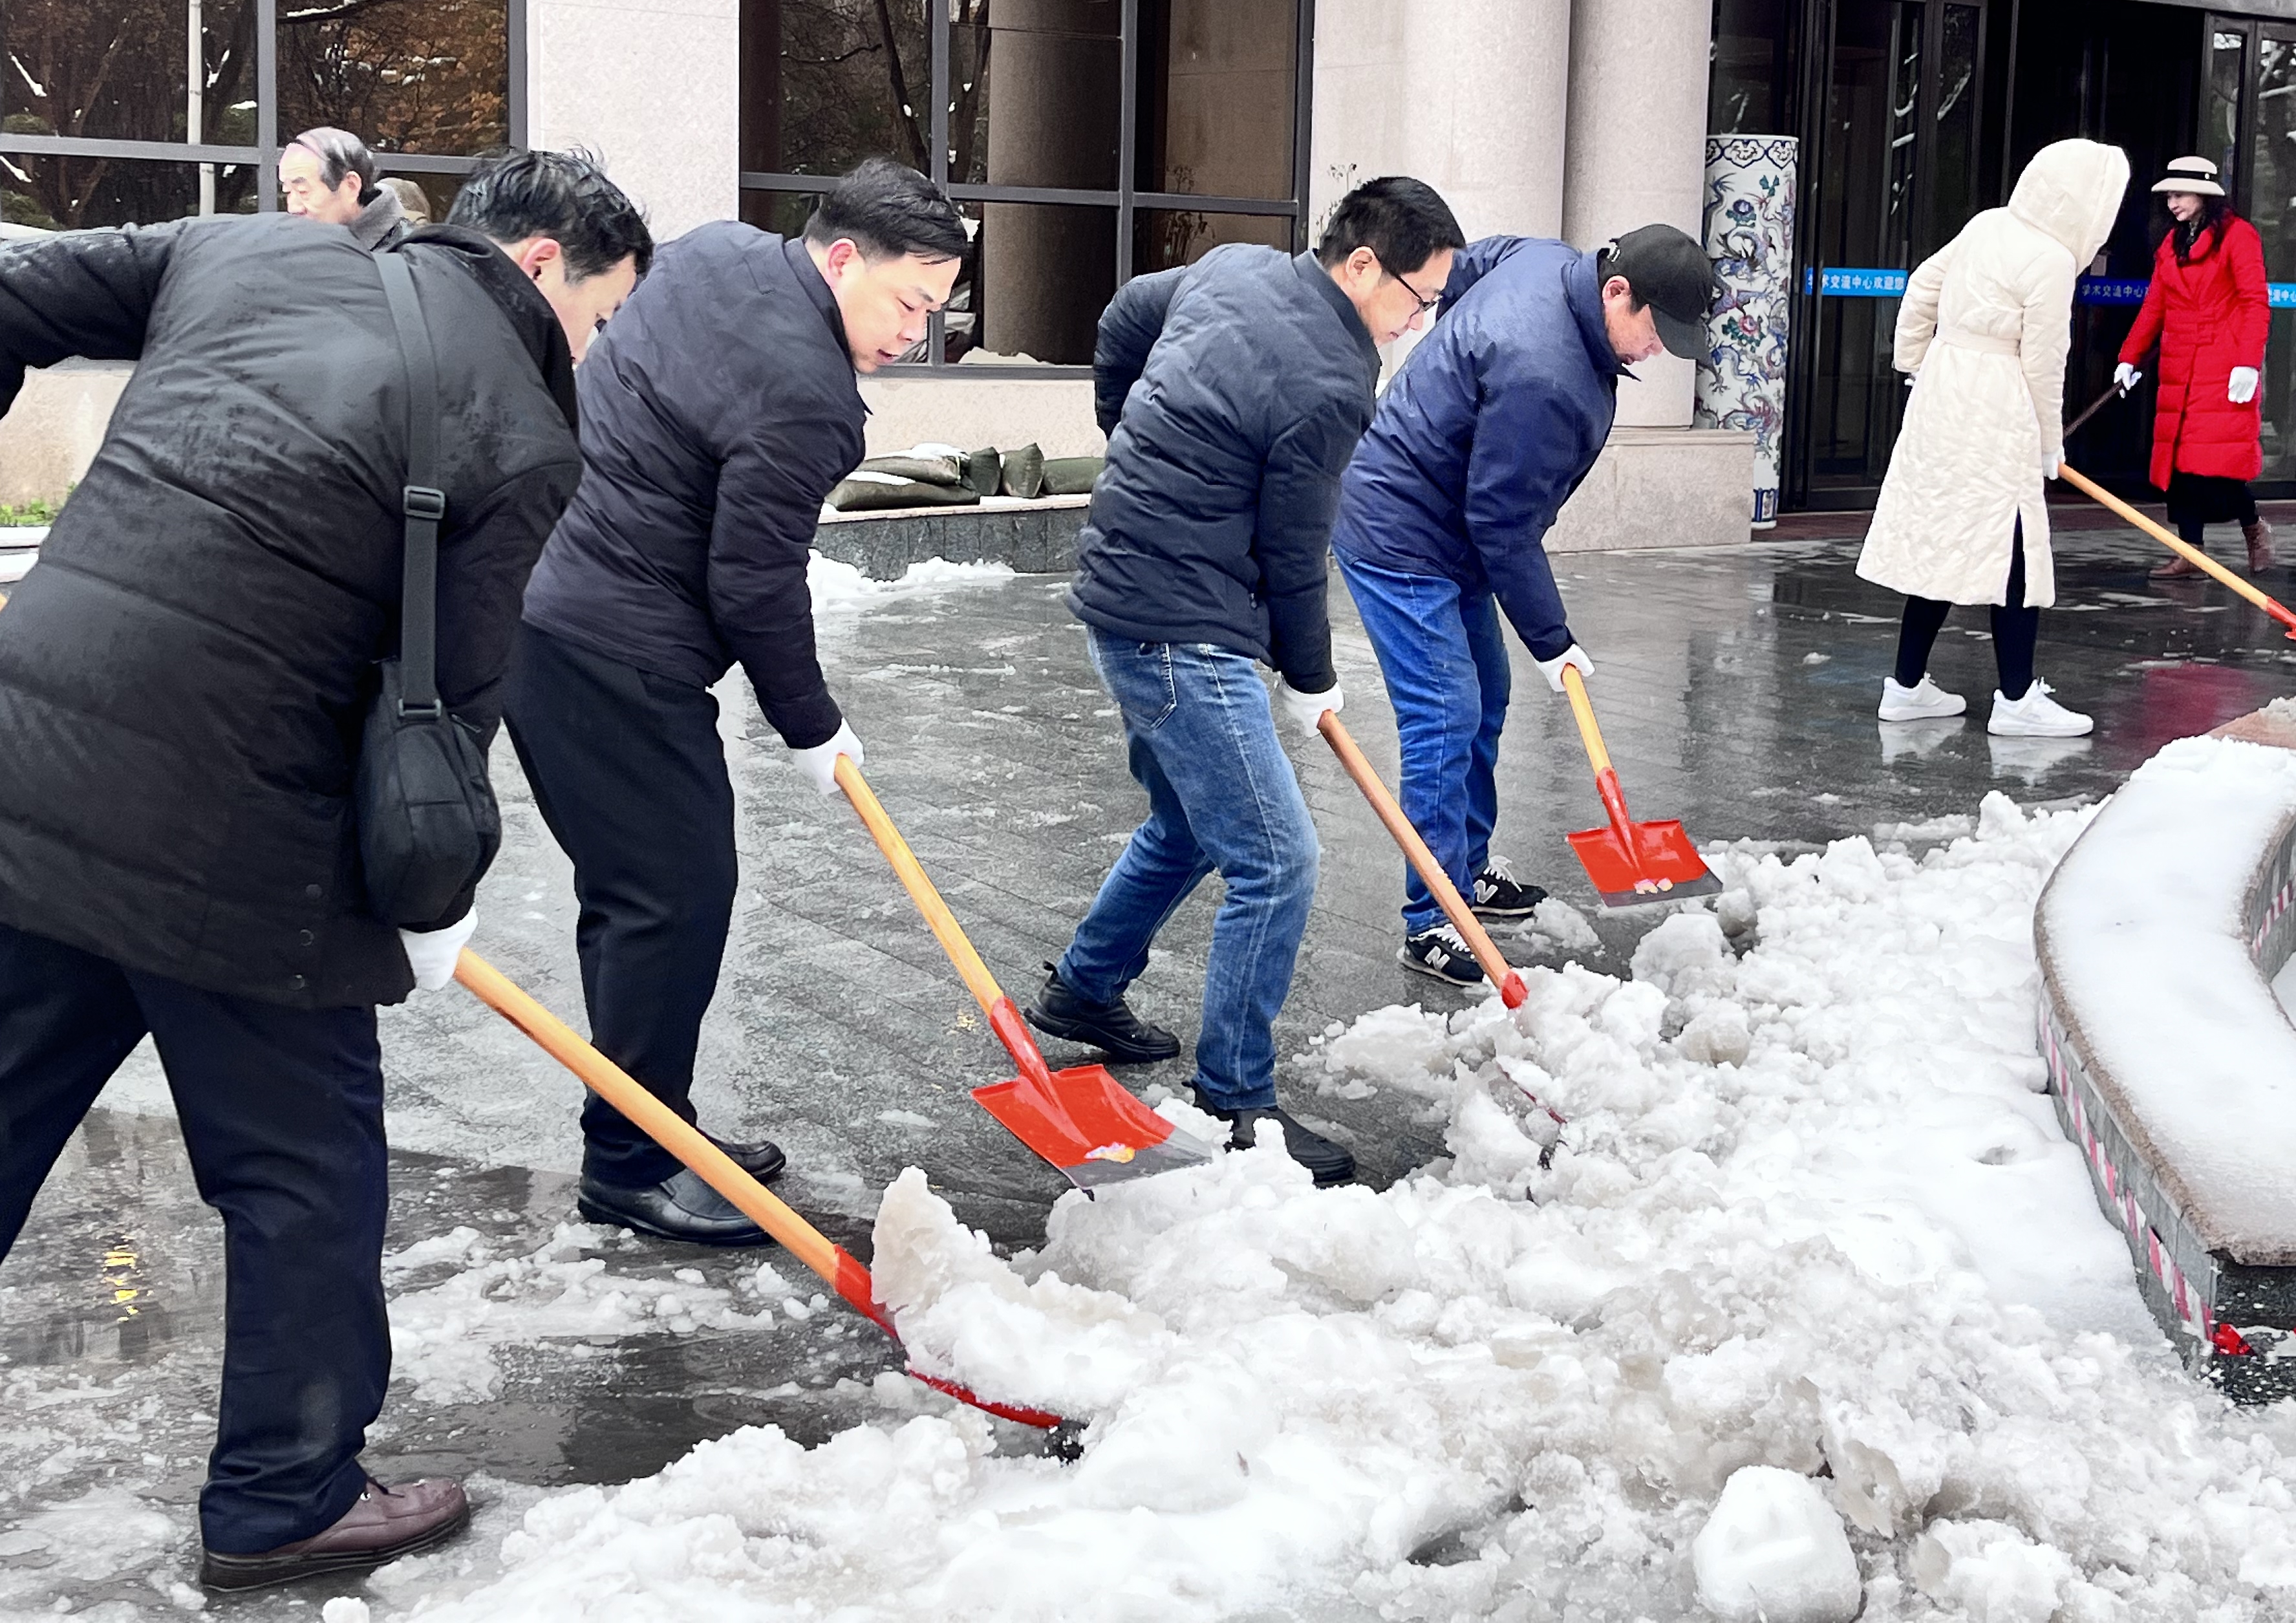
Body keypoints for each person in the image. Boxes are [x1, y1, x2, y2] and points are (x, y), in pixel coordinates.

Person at [0, 149, 652, 1591]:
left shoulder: (240, 254)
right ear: (544, 266)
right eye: (605, 319)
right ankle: (286, 1492)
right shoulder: (529, 437)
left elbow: (10, 289)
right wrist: (425, 907)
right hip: (236, 838)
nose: (595, 355)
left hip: (26, 759)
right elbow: (448, 711)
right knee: (301, 1167)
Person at [504, 156, 969, 1247]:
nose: (916, 331)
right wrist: (812, 721)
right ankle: (628, 1164)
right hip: (611, 641)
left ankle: (651, 1120)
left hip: (537, 598)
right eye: (908, 301)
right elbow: (752, 582)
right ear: (843, 256)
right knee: (675, 893)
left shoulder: (714, 248)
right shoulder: (810, 397)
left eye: (937, 312)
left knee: (637, 893)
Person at [1025, 177, 1466, 1187]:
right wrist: (1312, 681)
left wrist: (1129, 432)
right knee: (1278, 859)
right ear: (1361, 265)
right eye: (1414, 295)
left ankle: (1086, 990)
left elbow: (1126, 313)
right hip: (1182, 628)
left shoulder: (1237, 267)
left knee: (1188, 822)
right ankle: (1237, 1103)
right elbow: (1296, 545)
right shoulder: (1329, 382)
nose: (1415, 321)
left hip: (1128, 592)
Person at [1329, 224, 1713, 984]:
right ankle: (1430, 918)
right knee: (1446, 712)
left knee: (1486, 696)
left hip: (1456, 522)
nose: (1655, 351)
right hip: (1401, 531)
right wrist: (1552, 638)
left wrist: (1456, 375)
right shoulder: (1544, 372)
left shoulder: (1548, 262)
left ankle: (1464, 869)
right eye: (1653, 330)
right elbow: (1504, 523)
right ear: (1616, 290)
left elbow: (1473, 261)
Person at [1858, 138, 2132, 739]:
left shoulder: (1988, 225)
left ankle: (1905, 687)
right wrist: (2046, 441)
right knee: (2014, 546)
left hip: (1943, 388)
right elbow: (2043, 360)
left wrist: (1915, 362)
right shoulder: (2052, 259)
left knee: (1944, 539)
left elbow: (1923, 285)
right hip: (1999, 400)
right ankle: (2015, 700)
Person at [2114, 156, 2275, 577]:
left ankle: (2255, 529)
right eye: (2168, 195)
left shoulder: (2239, 237)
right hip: (2180, 366)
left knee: (2218, 469)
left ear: (2204, 194)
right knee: (2180, 469)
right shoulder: (2172, 245)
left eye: (2179, 194)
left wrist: (2248, 363)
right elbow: (2156, 305)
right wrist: (2129, 357)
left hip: (2223, 367)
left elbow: (2255, 301)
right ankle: (2191, 553)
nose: (2172, 202)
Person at [279, 126, 408, 251]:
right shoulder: (295, 248)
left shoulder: (409, 260)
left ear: (351, 186)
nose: (292, 208)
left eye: (303, 191)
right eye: (288, 191)